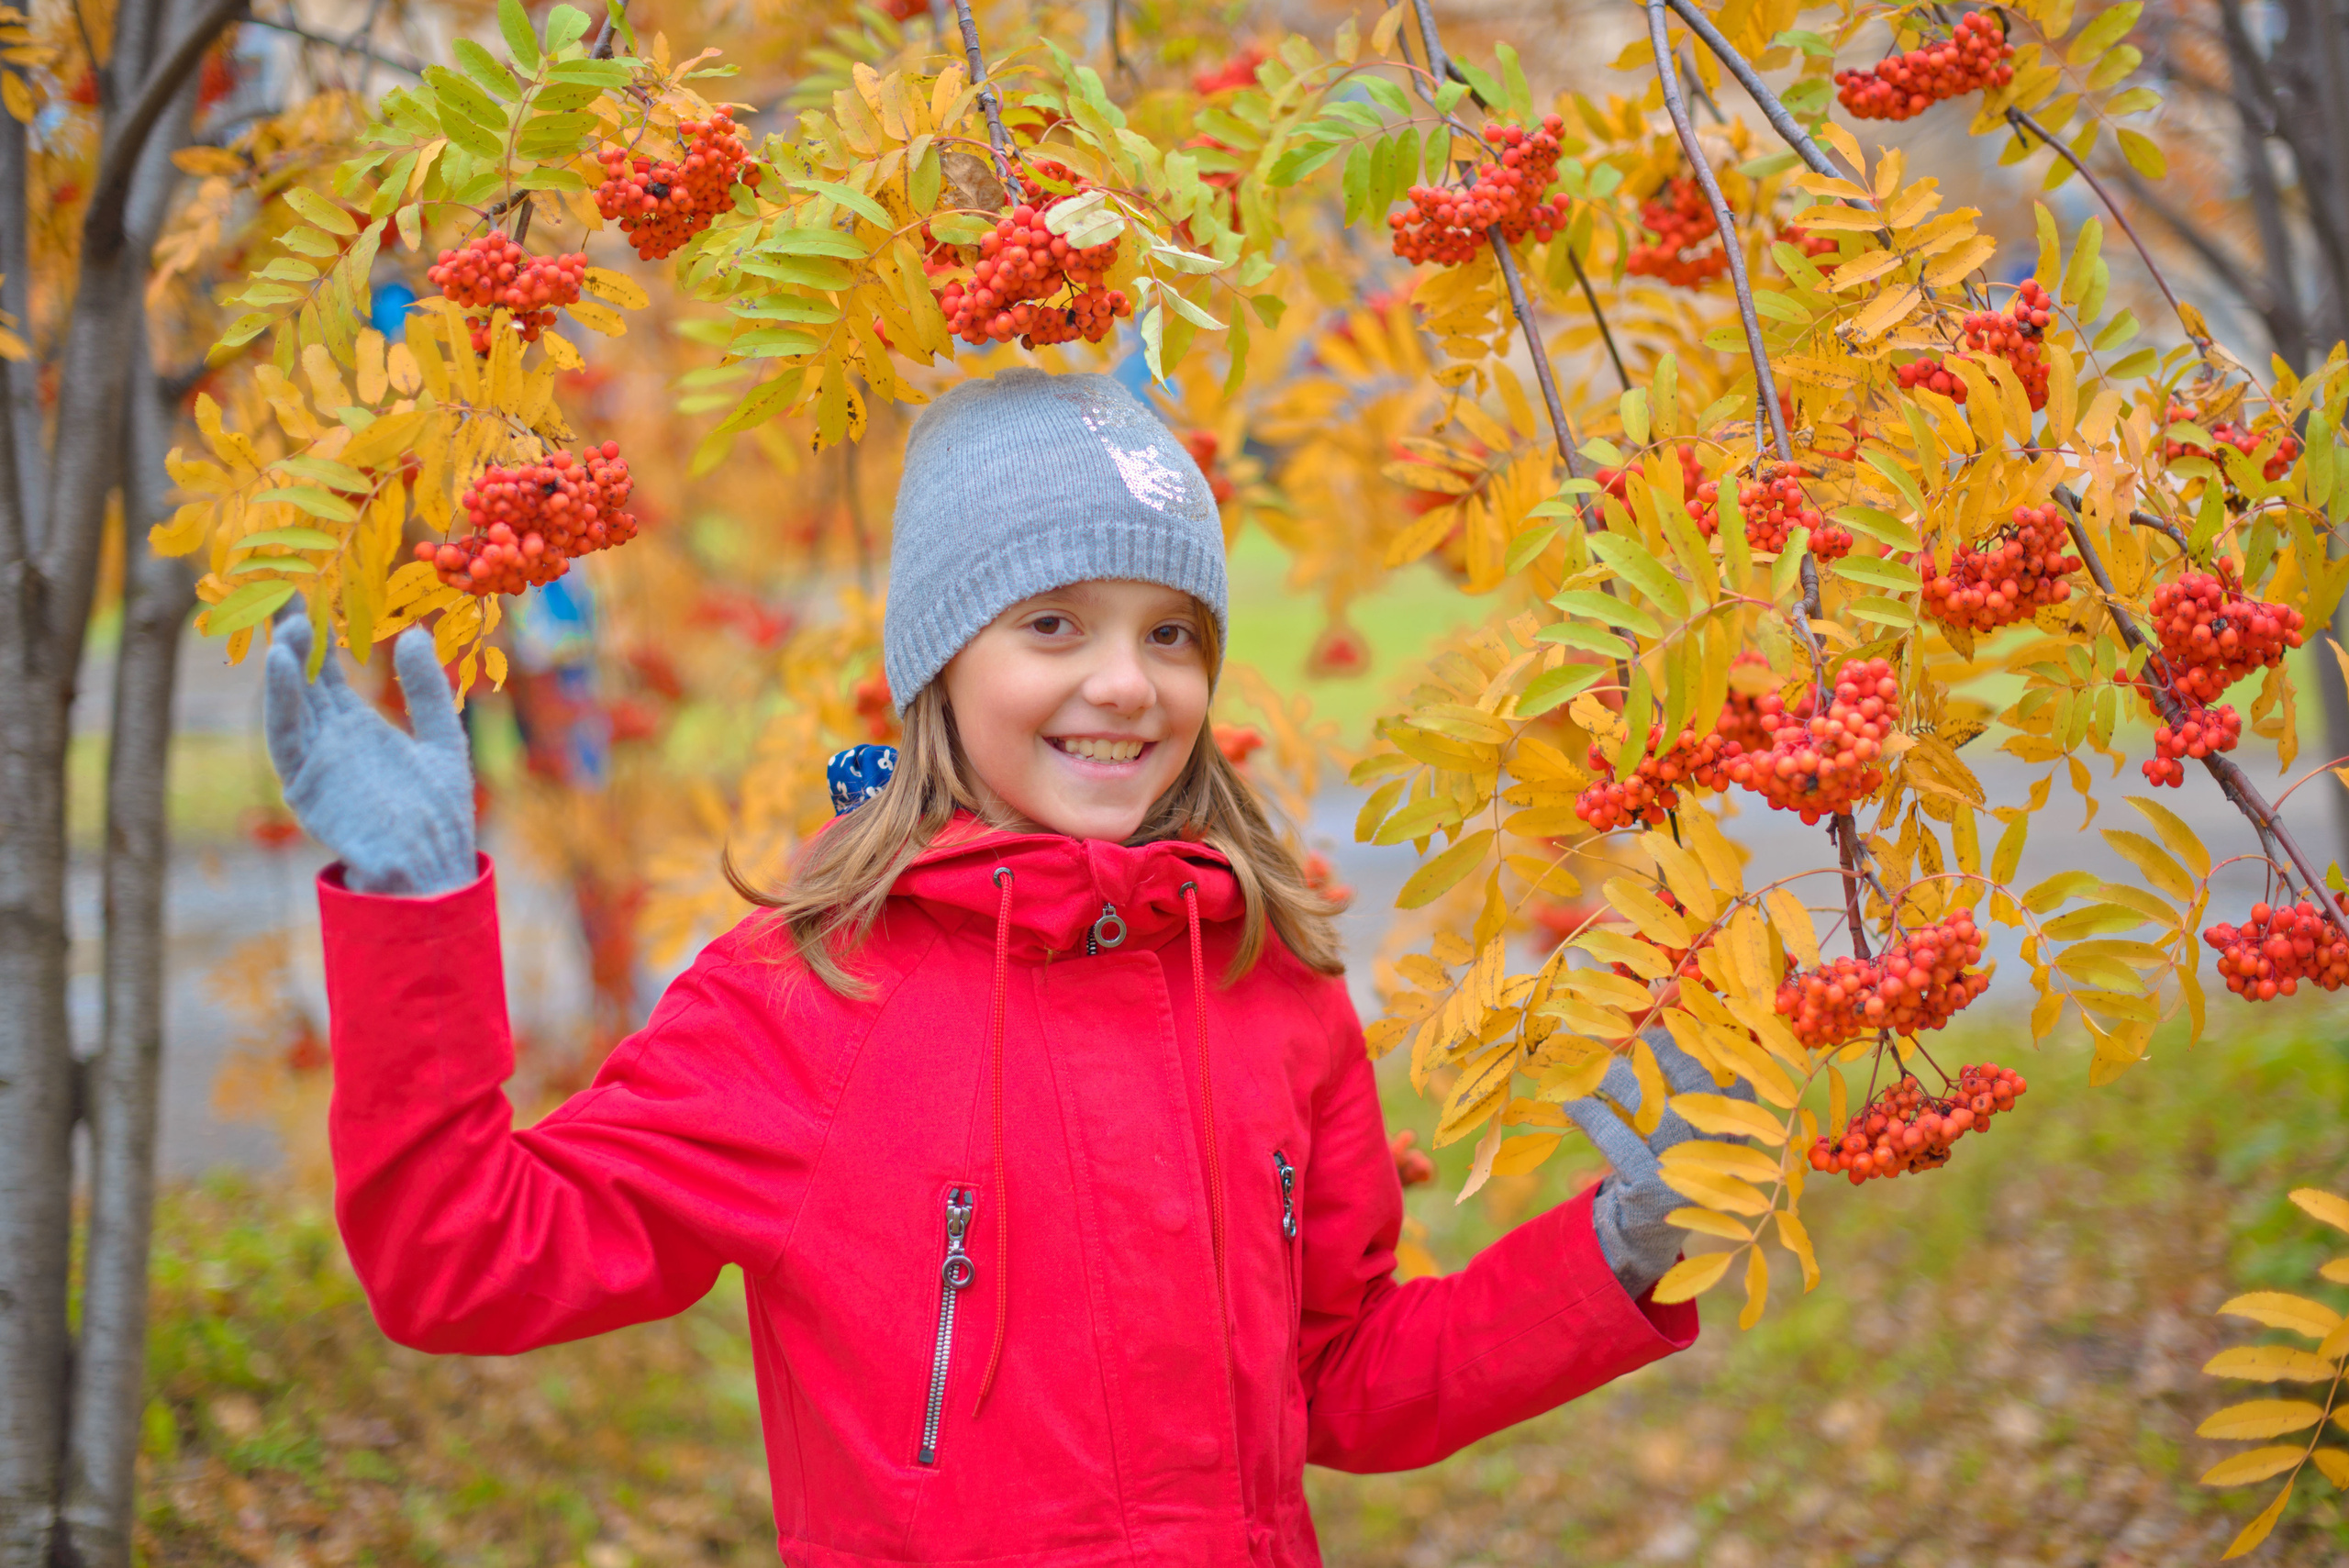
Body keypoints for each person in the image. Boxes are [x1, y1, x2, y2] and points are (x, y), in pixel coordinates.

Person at [263, 367, 1738, 1567]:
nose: (1124, 682)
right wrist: (411, 910)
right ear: (940, 668)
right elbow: (462, 1258)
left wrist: (1613, 1252)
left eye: (1171, 633)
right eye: (1053, 625)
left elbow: (1344, 1382)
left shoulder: (1267, 983)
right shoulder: (807, 996)